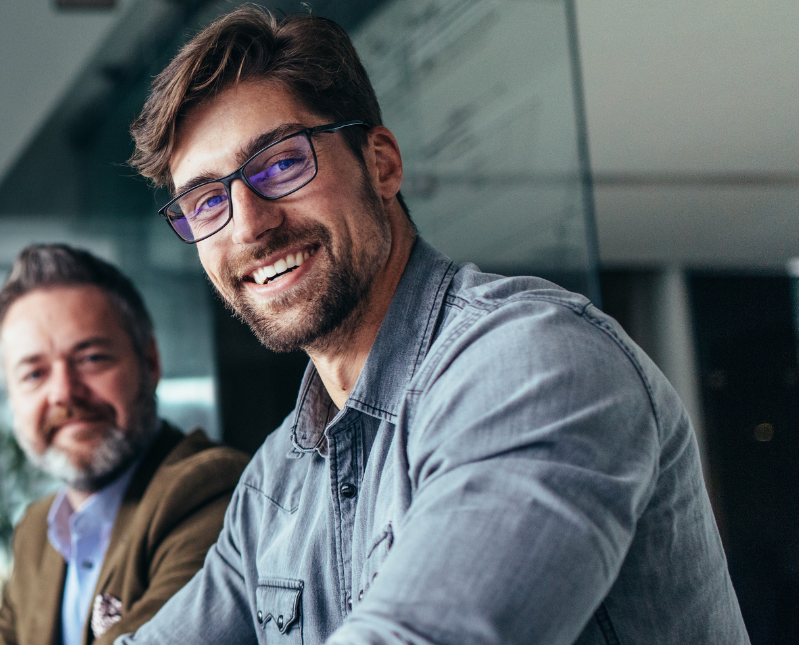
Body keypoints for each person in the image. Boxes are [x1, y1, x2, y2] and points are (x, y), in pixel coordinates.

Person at [109, 7, 747, 645]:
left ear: (381, 163)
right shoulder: (276, 485)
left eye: (281, 164)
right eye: (207, 203)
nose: (248, 225)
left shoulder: (534, 362)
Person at [0, 244, 249, 645]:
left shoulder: (208, 490)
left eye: (91, 358)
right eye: (34, 374)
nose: (64, 393)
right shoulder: (37, 530)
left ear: (150, 363)